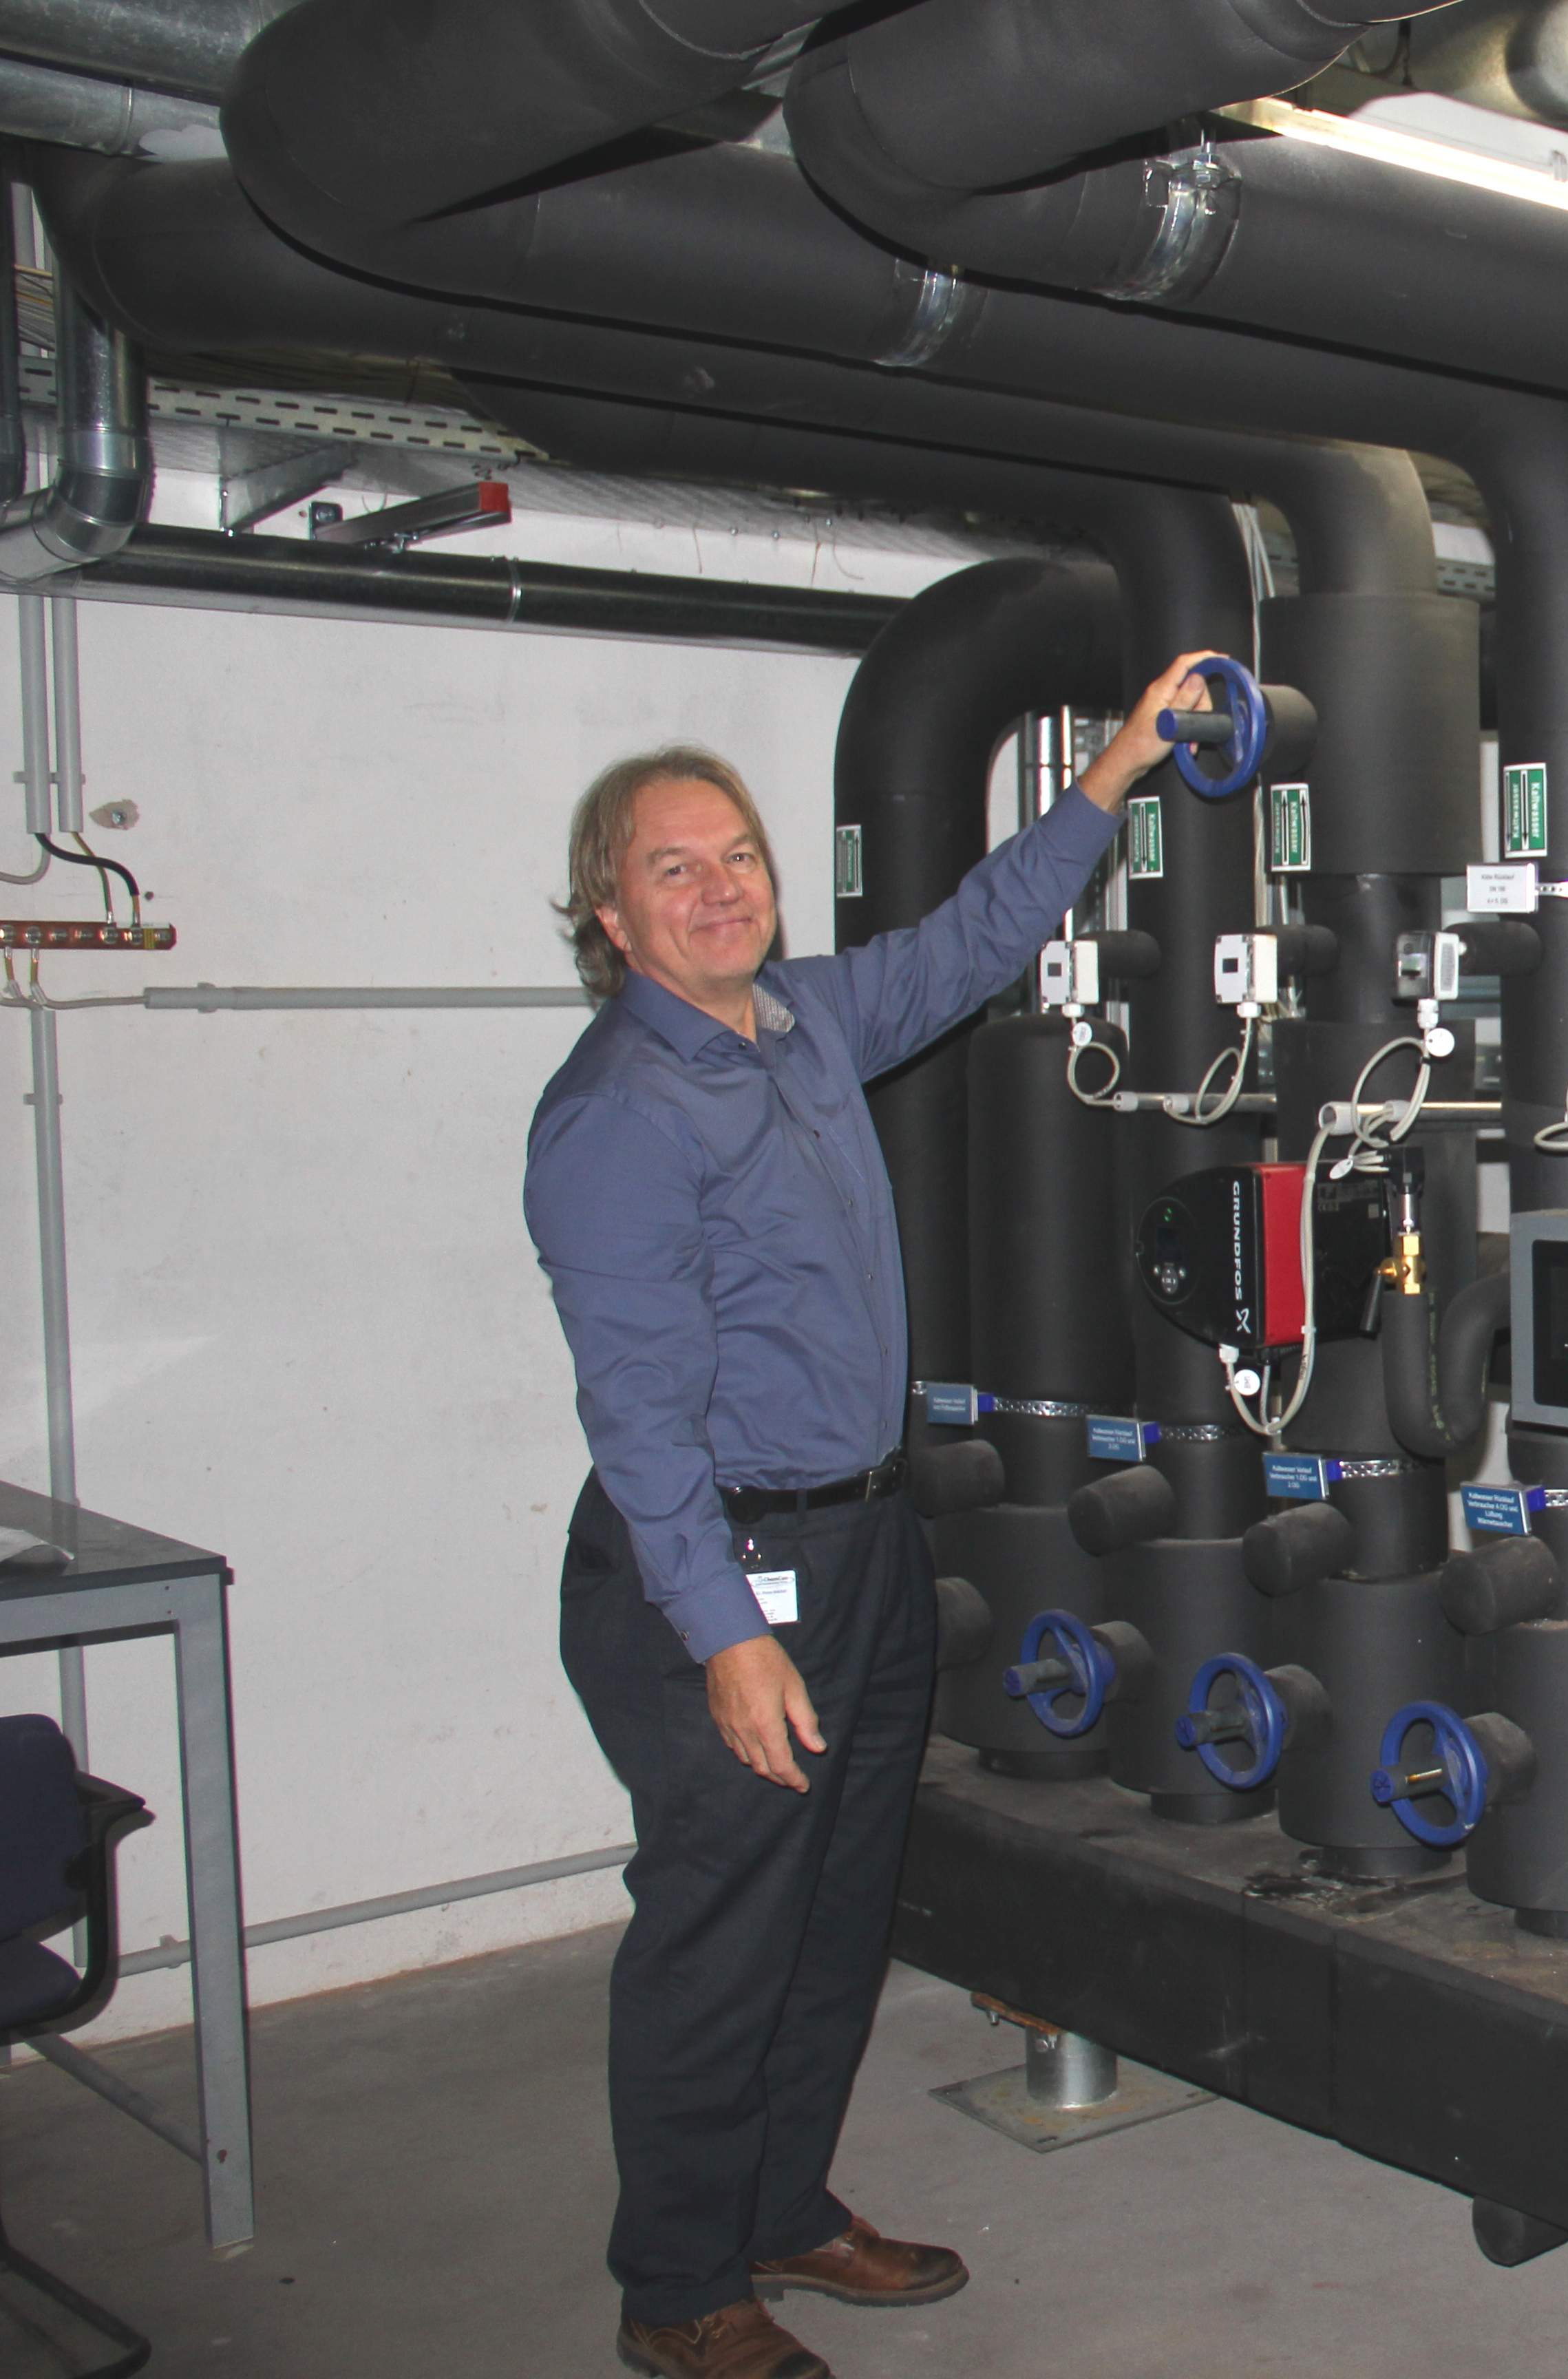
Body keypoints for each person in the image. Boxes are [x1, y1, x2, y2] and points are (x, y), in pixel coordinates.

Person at [525, 656, 1211, 2379]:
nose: (719, 886)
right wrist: (727, 1638)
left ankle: (779, 2211)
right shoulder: (617, 1113)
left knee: (833, 1902)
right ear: (609, 916)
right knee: (719, 1927)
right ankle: (680, 2285)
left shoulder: (811, 1022)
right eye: (672, 869)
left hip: (858, 1542)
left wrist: (1118, 765)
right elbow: (640, 1415)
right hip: (721, 1568)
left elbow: (978, 941)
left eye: (736, 852)